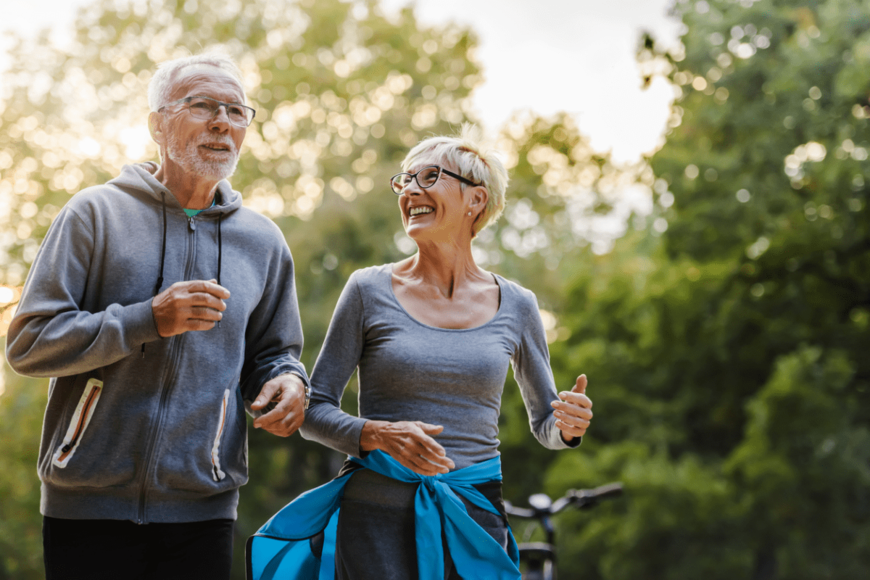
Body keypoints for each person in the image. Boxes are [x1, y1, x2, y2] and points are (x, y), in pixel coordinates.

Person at [5, 52, 311, 580]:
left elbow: (274, 352)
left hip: (203, 507)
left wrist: (287, 381)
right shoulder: (94, 214)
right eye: (202, 105)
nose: (222, 122)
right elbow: (29, 343)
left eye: (237, 112)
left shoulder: (262, 241)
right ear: (157, 124)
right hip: (86, 504)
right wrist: (148, 319)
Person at [247, 126, 593, 580]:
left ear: (476, 200)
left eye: (429, 177)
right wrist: (377, 434)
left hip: (474, 516)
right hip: (374, 517)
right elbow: (312, 410)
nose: (411, 189)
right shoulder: (368, 289)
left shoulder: (519, 305)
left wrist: (568, 426)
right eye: (405, 180)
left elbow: (545, 424)